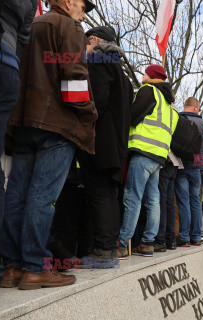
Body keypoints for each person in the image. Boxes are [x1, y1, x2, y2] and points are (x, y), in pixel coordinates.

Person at [0, 0, 97, 290]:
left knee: (17, 195)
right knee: (42, 198)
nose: (84, 11)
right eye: (82, 5)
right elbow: (74, 76)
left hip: (25, 121)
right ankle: (35, 267)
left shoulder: (34, 24)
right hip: (57, 124)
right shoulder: (69, 25)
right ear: (67, 3)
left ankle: (13, 267)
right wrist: (89, 112)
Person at [74, 26, 133, 267]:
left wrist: (79, 122)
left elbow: (96, 99)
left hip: (99, 141)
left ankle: (101, 250)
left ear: (95, 40)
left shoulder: (98, 60)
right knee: (109, 195)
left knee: (98, 193)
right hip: (116, 146)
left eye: (86, 41)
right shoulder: (123, 74)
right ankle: (106, 248)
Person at [0, 0, 37, 288]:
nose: (81, 12)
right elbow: (21, 40)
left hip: (34, 126)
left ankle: (19, 265)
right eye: (83, 7)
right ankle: (19, 265)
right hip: (6, 68)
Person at [117, 64, 178, 257]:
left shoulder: (148, 90)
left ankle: (121, 244)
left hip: (143, 151)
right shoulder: (169, 103)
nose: (142, 75)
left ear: (151, 76)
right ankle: (147, 243)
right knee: (153, 200)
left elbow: (131, 116)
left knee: (132, 198)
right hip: (159, 156)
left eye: (145, 73)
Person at [175, 97, 203, 247]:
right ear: (195, 107)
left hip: (181, 164)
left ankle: (184, 237)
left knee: (183, 202)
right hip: (196, 165)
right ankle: (196, 237)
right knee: (196, 201)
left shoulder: (177, 119)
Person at [156, 152, 183, 251]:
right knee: (170, 203)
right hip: (175, 162)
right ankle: (171, 240)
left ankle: (160, 240)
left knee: (162, 202)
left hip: (165, 162)